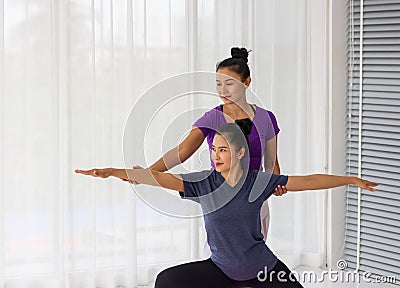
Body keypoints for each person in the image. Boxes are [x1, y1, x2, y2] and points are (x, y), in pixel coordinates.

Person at [75, 119, 378, 288]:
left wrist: (350, 180)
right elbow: (155, 178)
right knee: (167, 282)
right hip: (220, 270)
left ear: (241, 153)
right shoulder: (203, 183)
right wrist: (113, 172)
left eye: (222, 150)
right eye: (213, 150)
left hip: (262, 270)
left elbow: (308, 181)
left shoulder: (257, 182)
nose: (215, 155)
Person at [140, 47, 285, 242]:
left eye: (229, 84)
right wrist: (148, 173)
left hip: (254, 199)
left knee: (254, 259)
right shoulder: (212, 118)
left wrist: (276, 186)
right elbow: (182, 151)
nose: (222, 90)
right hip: (219, 198)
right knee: (219, 262)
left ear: (246, 82)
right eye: (218, 84)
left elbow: (271, 163)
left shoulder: (266, 118)